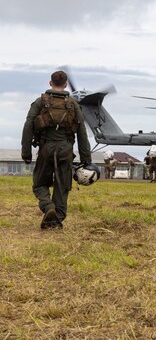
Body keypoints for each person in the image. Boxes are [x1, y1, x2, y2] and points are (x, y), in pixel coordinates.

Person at [21, 70, 92, 229]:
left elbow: (28, 126)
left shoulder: (40, 102)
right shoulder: (73, 104)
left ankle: (48, 207)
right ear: (66, 84)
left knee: (39, 184)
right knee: (63, 186)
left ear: (50, 83)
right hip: (66, 149)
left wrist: (26, 152)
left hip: (46, 148)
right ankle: (56, 220)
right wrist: (86, 160)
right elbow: (82, 133)